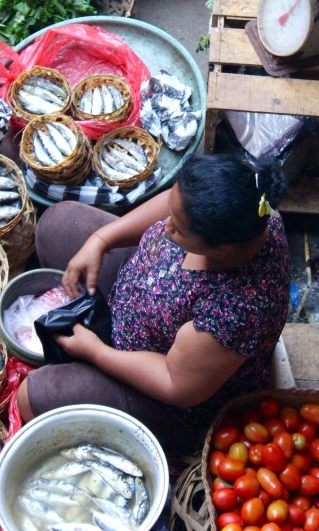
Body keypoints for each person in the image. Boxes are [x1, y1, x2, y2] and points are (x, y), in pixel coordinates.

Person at [16, 153, 291, 451]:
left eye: (178, 229)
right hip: (145, 289)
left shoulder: (237, 309)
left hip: (165, 398)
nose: (165, 225)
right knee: (54, 224)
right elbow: (174, 206)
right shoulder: (249, 209)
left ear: (220, 248)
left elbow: (174, 383)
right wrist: (101, 240)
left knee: (33, 396)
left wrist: (95, 352)